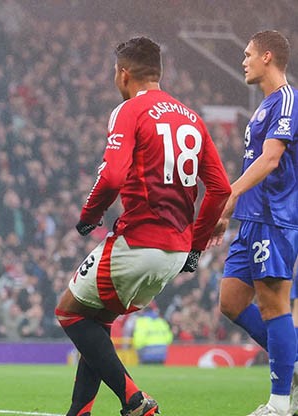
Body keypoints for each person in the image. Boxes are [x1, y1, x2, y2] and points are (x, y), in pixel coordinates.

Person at [54, 37, 231, 416]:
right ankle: (79, 412)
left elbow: (112, 176)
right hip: (175, 252)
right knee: (97, 320)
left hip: (138, 241)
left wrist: (89, 216)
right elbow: (220, 188)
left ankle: (134, 400)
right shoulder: (192, 118)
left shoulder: (129, 110)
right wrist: (196, 247)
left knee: (69, 312)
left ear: (123, 73)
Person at [209, 30, 298, 416]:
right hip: (251, 218)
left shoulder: (288, 100)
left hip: (275, 218)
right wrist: (233, 208)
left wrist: (230, 193)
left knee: (273, 306)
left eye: (248, 54)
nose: (243, 61)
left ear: (267, 57)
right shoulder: (264, 106)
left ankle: (279, 404)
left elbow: (271, 159)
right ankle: (293, 360)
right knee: (230, 301)